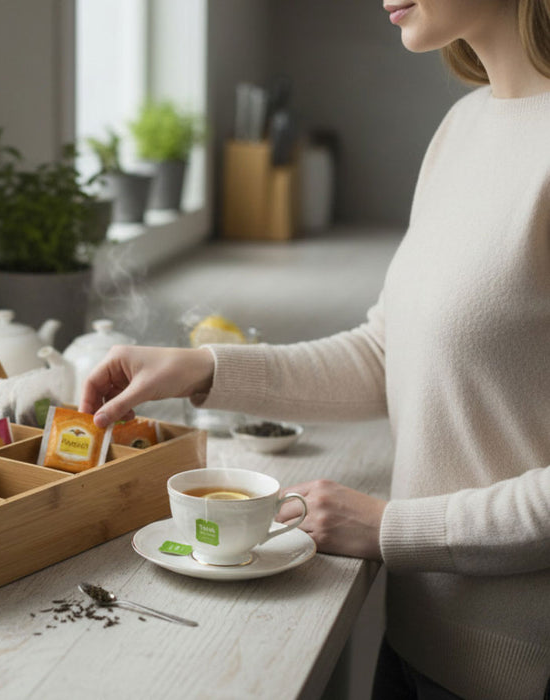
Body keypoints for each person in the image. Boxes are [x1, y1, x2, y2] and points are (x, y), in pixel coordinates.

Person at [80, 1, 550, 698]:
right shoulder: (466, 124)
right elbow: (389, 353)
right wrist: (201, 369)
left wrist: (393, 527)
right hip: (423, 638)